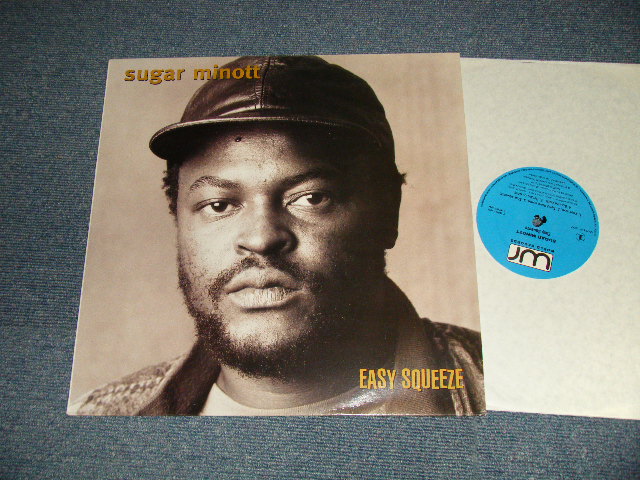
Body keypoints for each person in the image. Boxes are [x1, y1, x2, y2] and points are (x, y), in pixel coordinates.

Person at [70, 56, 484, 416]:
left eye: (312, 198)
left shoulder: (506, 385)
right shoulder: (98, 417)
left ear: (387, 212)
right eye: (219, 205)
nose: (261, 238)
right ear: (178, 219)